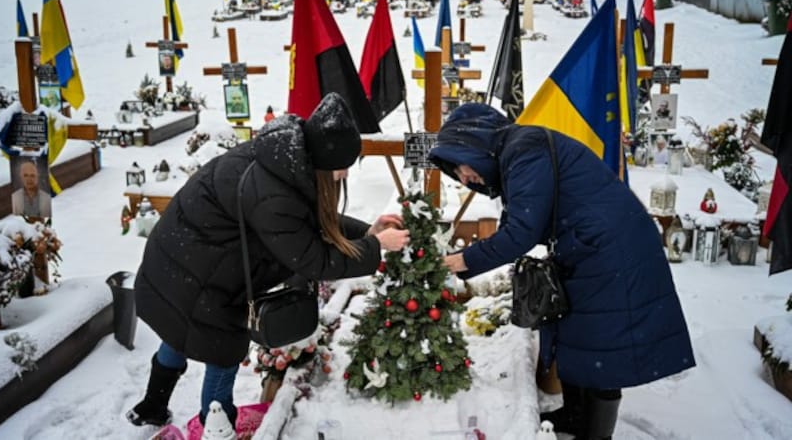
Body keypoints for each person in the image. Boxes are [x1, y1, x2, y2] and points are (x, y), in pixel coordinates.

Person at [126, 93, 410, 430]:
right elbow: (314, 260)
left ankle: (153, 404)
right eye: (342, 167)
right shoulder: (274, 193)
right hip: (201, 275)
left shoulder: (284, 161)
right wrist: (375, 248)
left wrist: (368, 233)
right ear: (323, 160)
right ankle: (217, 430)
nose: (345, 174)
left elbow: (309, 220)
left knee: (179, 327)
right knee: (221, 352)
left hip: (179, 263)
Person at [428, 103, 695, 440]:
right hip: (589, 249)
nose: (465, 179)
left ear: (474, 143)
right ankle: (574, 415)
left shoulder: (523, 150)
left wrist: (461, 261)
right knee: (578, 339)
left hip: (611, 251)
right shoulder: (516, 153)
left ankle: (595, 434)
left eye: (461, 168)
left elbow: (520, 233)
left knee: (603, 348)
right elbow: (524, 217)